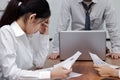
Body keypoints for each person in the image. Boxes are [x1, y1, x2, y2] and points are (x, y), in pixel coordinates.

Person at [0, 0, 72, 80]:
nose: (39, 29)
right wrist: (50, 74)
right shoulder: (6, 32)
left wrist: (44, 35)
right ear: (32, 18)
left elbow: (38, 63)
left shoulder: (27, 34)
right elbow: (10, 73)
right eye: (42, 23)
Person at [48, 0, 120, 60]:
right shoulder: (68, 1)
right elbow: (61, 26)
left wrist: (116, 49)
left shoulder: (105, 2)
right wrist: (56, 50)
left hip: (98, 48)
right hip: (75, 46)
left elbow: (112, 27)